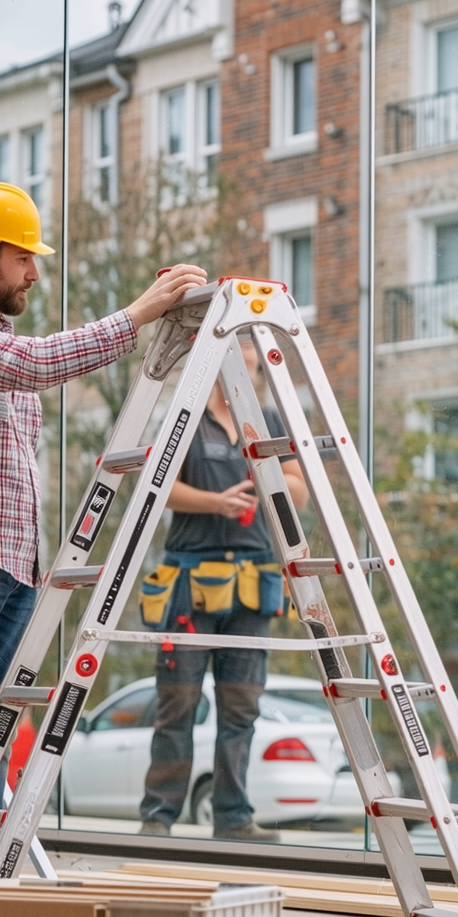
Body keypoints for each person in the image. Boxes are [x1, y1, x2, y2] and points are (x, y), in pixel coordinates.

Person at [0, 181, 207, 917]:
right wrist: (138, 315)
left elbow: (26, 373)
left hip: (12, 559)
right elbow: (31, 365)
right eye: (25, 260)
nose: (34, 275)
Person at [138, 340, 309, 841]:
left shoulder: (269, 421)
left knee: (241, 706)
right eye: (237, 362)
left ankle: (233, 817)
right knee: (177, 703)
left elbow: (297, 488)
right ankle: (159, 816)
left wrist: (261, 477)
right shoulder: (186, 417)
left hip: (252, 581)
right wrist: (217, 502)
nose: (246, 371)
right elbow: (160, 487)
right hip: (191, 581)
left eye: (251, 364)